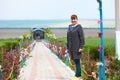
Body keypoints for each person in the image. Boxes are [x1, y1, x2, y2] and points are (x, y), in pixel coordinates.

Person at [67, 14, 85, 80]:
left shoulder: (79, 27)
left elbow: (82, 38)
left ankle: (77, 75)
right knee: (75, 61)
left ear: (77, 19)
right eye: (72, 19)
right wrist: (68, 48)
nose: (73, 20)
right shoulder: (69, 27)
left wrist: (81, 47)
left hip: (77, 48)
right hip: (71, 48)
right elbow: (68, 38)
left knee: (77, 61)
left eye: (74, 19)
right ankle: (78, 74)